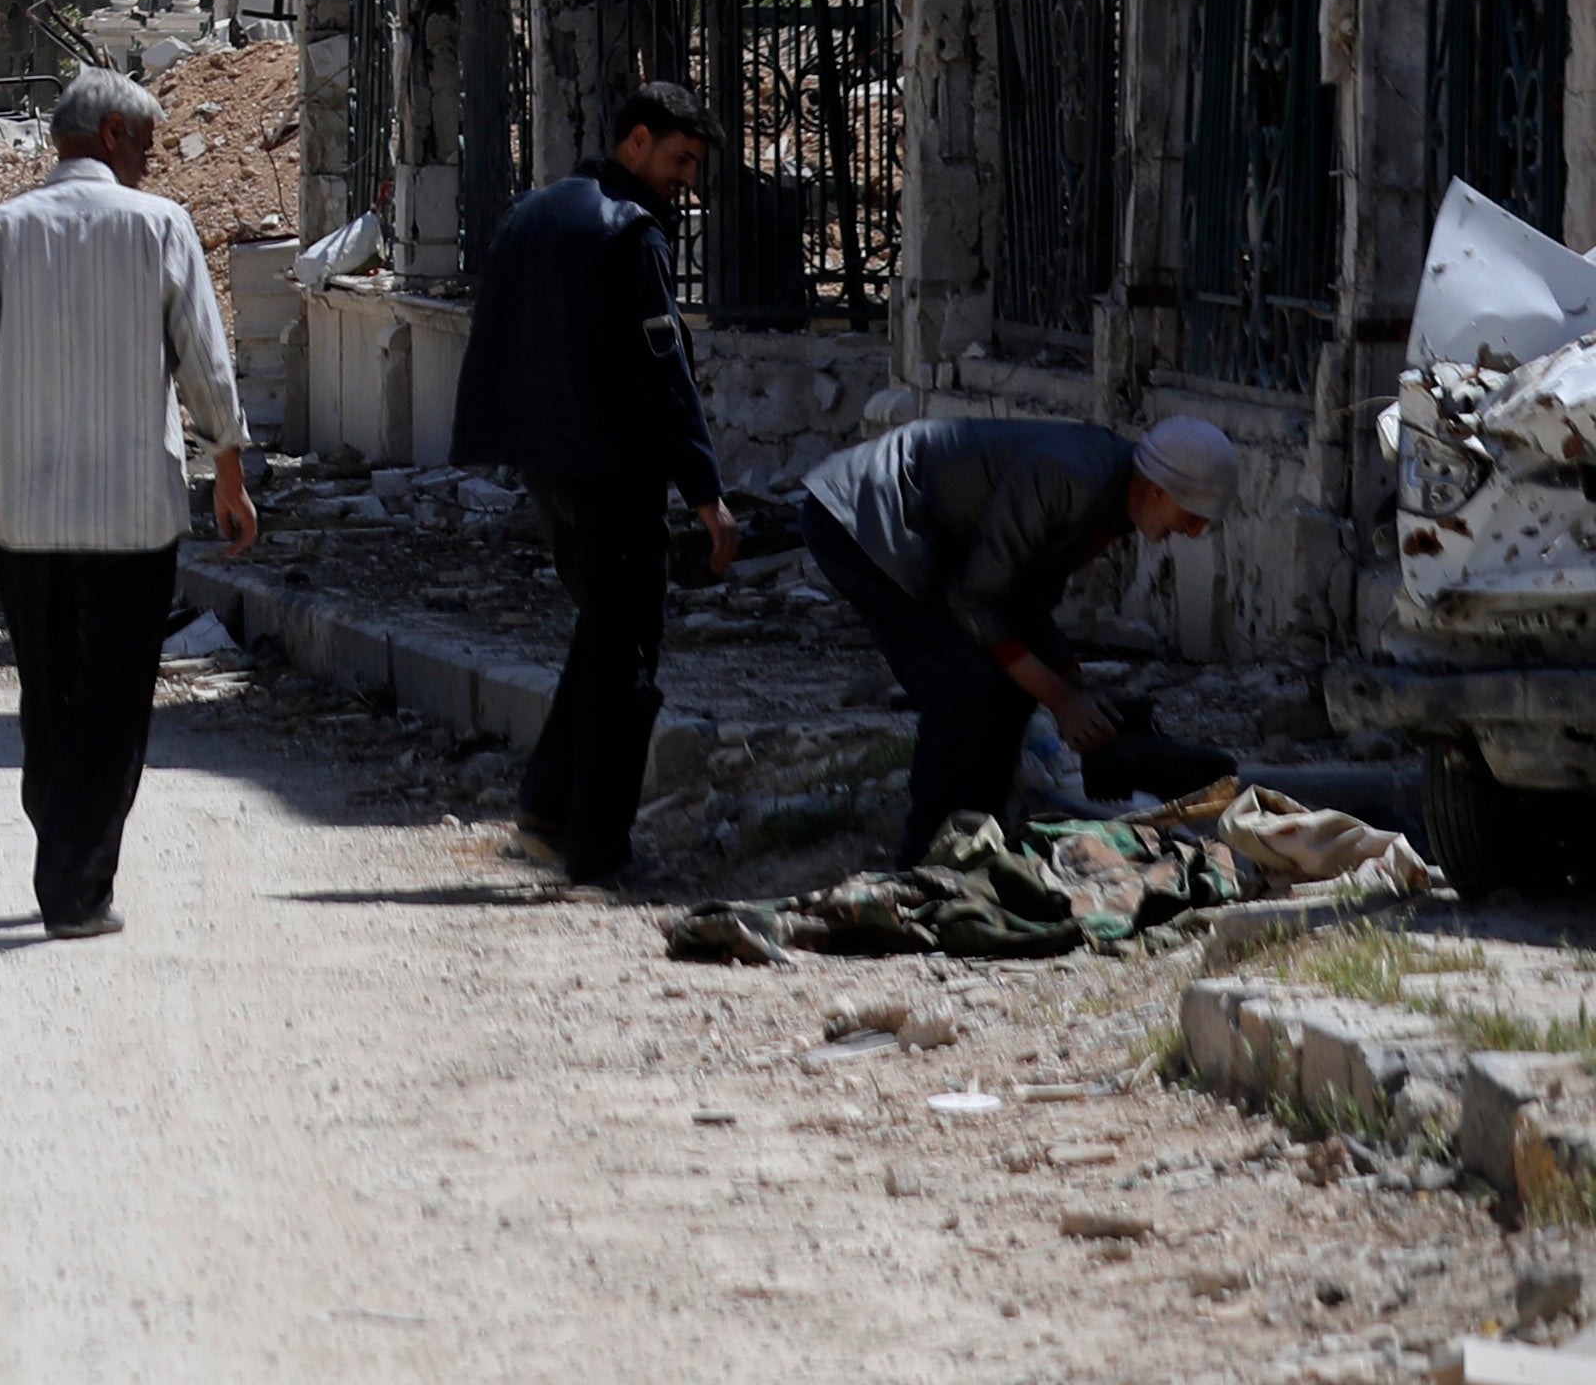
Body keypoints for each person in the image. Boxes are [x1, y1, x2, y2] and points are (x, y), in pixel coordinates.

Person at [0, 66, 258, 939]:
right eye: (146, 143)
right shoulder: (161, 227)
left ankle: (64, 854)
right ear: (111, 132)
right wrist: (227, 466)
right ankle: (76, 884)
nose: (152, 162)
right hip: (132, 516)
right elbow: (204, 357)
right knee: (115, 702)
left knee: (48, 696)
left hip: (26, 517)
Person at [446, 74, 739, 886]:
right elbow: (661, 372)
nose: (686, 179)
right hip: (613, 472)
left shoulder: (530, 213)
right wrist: (706, 493)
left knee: (601, 635)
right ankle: (599, 848)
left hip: (548, 469)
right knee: (628, 659)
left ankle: (544, 808)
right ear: (635, 141)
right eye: (679, 159)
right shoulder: (632, 233)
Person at [760, 410, 1238, 853]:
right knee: (963, 686)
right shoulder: (1070, 478)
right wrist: (1062, 699)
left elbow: (1026, 598)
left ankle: (984, 836)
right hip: (866, 515)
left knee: (1007, 686)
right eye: (1191, 517)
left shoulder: (1111, 501)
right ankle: (929, 858)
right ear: (1157, 490)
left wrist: (1075, 685)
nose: (1192, 533)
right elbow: (979, 600)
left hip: (927, 537)